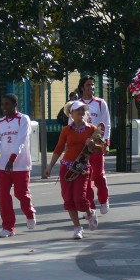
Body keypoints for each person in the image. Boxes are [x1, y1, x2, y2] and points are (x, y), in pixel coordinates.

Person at [44, 101, 102, 239]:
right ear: (71, 114)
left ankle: (89, 212)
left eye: (83, 110)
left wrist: (93, 144)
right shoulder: (66, 130)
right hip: (66, 167)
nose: (81, 113)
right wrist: (50, 166)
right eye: (78, 111)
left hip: (81, 167)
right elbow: (58, 149)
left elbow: (101, 149)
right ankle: (77, 228)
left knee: (80, 199)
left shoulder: (92, 129)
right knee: (68, 199)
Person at [0, 93, 36, 238]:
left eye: (7, 104)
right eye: (2, 104)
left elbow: (21, 140)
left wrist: (13, 159)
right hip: (3, 166)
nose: (4, 107)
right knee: (3, 195)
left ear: (14, 105)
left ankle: (29, 213)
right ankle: (8, 227)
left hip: (20, 164)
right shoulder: (0, 123)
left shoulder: (23, 119)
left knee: (20, 193)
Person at [77, 76, 111, 215]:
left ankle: (103, 200)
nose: (91, 87)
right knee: (85, 177)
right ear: (82, 88)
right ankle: (90, 206)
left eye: (92, 85)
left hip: (97, 144)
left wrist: (106, 142)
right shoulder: (76, 105)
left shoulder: (100, 103)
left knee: (98, 175)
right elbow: (70, 125)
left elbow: (106, 124)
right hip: (82, 147)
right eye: (88, 85)